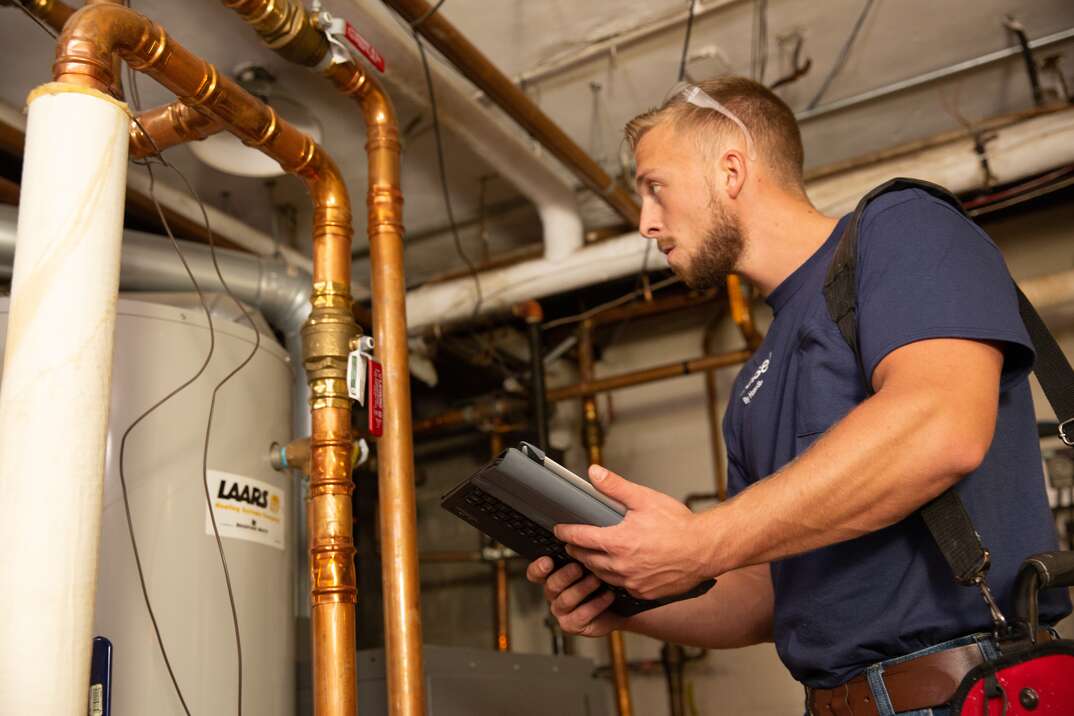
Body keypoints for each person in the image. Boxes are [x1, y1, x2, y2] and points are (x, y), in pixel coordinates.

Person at [525, 76, 1070, 715]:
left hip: (967, 694)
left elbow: (940, 426)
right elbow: (766, 593)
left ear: (730, 169)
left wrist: (701, 541)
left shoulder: (902, 227)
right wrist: (629, 596)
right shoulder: (753, 385)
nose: (646, 223)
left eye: (654, 187)